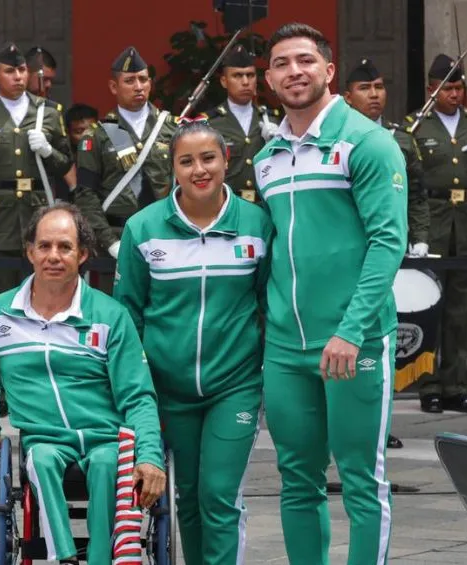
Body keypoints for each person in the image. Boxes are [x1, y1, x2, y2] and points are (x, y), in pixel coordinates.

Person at [253, 23, 406, 565]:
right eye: (281, 64)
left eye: (305, 61)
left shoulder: (367, 142)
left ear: (328, 69)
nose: (294, 72)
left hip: (352, 343)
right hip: (286, 349)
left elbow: (389, 243)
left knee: (363, 482)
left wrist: (350, 330)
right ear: (269, 79)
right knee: (297, 481)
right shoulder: (266, 157)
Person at [0, 203, 165, 565]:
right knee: (41, 460)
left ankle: (99, 559)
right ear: (29, 251)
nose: (53, 256)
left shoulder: (110, 316)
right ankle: (65, 559)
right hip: (44, 439)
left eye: (65, 247)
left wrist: (151, 456)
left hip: (105, 437)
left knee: (109, 463)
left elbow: (138, 395)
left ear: (83, 254)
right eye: (44, 246)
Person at [114, 120, 272, 564]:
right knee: (186, 496)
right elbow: (127, 313)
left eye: (208, 158)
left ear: (226, 161)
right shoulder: (143, 229)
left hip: (234, 385)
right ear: (174, 169)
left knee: (219, 495)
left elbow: (267, 302)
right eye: (187, 161)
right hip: (168, 389)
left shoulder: (256, 225)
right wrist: (138, 382)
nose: (199, 169)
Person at [343, 57, 431, 448]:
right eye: (365, 88)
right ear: (347, 96)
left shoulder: (401, 138)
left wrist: (421, 237)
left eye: (379, 87)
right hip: (350, 254)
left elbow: (417, 194)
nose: (375, 95)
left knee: (386, 337)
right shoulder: (339, 139)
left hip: (391, 249)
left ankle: (382, 418)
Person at [0, 42, 71, 297]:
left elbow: (65, 163)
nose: (18, 76)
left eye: (21, 70)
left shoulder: (49, 112)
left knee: (43, 287)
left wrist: (47, 151)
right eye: (10, 71)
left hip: (38, 210)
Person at [405, 53, 467, 414]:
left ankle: (456, 385)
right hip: (433, 218)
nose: (455, 95)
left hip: (466, 221)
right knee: (431, 305)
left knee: (461, 310)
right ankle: (429, 386)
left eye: (459, 88)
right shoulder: (416, 126)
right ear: (432, 89)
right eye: (448, 88)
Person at [74, 46, 175, 267]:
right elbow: (86, 195)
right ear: (113, 86)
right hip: (116, 238)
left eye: (143, 79)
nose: (138, 86)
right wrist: (109, 242)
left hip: (164, 236)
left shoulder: (171, 128)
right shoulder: (98, 135)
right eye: (130, 81)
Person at [205, 44, 281, 203]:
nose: (245, 82)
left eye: (250, 75)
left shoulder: (271, 120)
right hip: (226, 204)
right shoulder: (210, 123)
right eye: (238, 76)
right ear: (224, 81)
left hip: (264, 204)